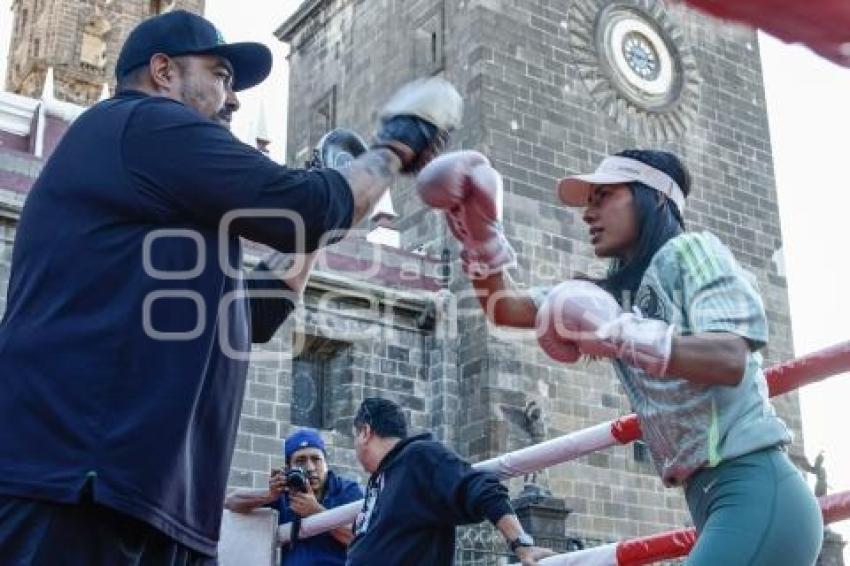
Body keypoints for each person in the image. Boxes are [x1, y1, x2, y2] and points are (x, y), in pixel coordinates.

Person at [0, 8, 461, 565]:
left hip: (143, 504)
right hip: (77, 486)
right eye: (220, 75)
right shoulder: (140, 122)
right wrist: (393, 146)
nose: (235, 97)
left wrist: (326, 197)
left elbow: (257, 312)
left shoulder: (166, 197)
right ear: (164, 72)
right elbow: (308, 205)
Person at [416, 149, 824, 565]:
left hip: (756, 490)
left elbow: (730, 357)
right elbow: (506, 308)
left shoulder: (692, 252)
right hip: (714, 502)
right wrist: (480, 236)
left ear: (656, 198)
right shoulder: (610, 296)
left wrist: (619, 333)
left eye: (604, 197)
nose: (588, 214)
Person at [346, 397, 550, 566]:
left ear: (365, 432)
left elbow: (482, 488)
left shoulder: (419, 457)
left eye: (355, 436)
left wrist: (522, 544)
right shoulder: (382, 479)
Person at [225, 428, 363, 566]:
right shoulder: (284, 494)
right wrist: (268, 496)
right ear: (288, 468)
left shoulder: (346, 490)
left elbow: (362, 540)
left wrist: (317, 512)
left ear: (326, 463)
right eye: (300, 461)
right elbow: (230, 501)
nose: (310, 468)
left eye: (316, 459)